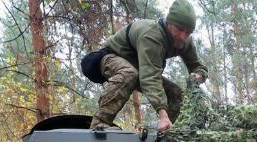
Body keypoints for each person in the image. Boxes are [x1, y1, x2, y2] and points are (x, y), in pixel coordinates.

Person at [88, 0, 208, 132]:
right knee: (129, 74)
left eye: (188, 32)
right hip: (111, 57)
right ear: (169, 23)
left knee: (176, 93)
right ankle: (100, 123)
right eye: (179, 29)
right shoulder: (152, 35)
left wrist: (199, 76)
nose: (183, 36)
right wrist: (163, 115)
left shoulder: (185, 41)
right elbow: (150, 77)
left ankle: (171, 132)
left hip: (140, 68)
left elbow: (197, 66)